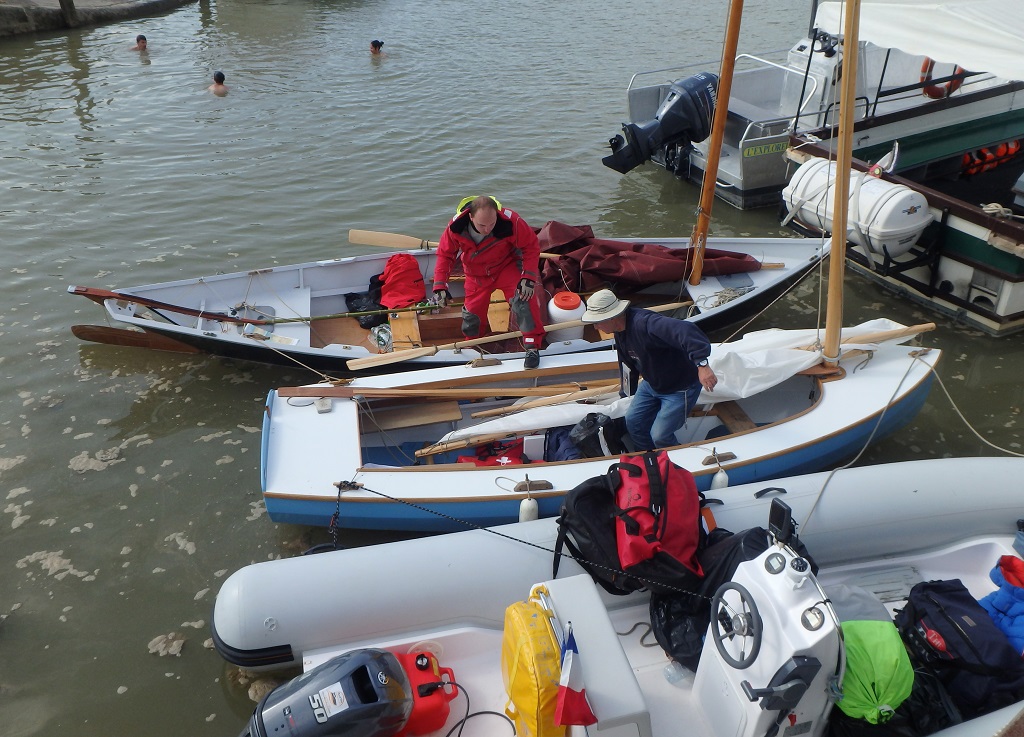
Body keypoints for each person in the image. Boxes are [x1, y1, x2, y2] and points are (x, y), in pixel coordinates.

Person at [581, 289, 718, 450]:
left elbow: (686, 331)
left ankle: (676, 462)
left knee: (660, 436)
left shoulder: (646, 323)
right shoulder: (619, 333)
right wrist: (626, 394)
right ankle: (648, 457)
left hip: (680, 389)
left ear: (612, 317)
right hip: (651, 384)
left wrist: (702, 365)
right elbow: (627, 365)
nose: (596, 327)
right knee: (632, 422)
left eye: (597, 321)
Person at [432, 195, 546, 369]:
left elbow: (531, 246)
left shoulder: (511, 221)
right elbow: (445, 255)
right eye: (481, 225)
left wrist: (528, 277)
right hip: (475, 275)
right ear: (471, 217)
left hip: (505, 267)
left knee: (524, 300)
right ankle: (472, 346)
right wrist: (440, 285)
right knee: (471, 315)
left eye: (492, 224)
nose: (487, 229)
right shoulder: (455, 227)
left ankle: (531, 345)